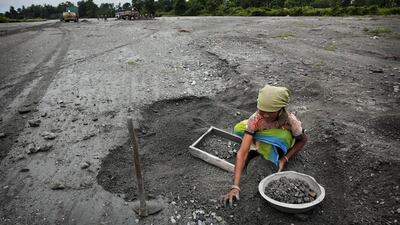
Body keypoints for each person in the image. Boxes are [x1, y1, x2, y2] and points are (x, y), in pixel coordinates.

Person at [222, 84, 308, 206]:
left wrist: (285, 158)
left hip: (281, 138)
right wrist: (235, 186)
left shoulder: (291, 121)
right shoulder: (256, 118)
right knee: (239, 128)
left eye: (271, 112)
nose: (266, 115)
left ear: (280, 109)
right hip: (263, 131)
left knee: (279, 140)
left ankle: (266, 145)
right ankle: (257, 142)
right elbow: (242, 153)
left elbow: (303, 140)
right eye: (262, 111)